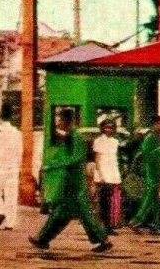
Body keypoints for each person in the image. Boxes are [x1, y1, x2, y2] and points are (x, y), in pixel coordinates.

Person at [29, 108, 112, 253]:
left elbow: (77, 157)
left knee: (82, 214)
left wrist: (53, 165)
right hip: (71, 182)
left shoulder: (75, 137)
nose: (58, 123)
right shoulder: (70, 136)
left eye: (60, 120)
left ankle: (103, 240)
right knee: (61, 213)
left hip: (76, 184)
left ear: (66, 121)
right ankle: (42, 239)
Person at [129, 115, 160, 233]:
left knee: (155, 200)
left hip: (155, 172)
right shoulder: (150, 137)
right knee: (150, 198)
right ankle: (136, 220)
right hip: (152, 172)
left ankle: (156, 224)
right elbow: (147, 154)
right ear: (155, 124)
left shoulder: (155, 137)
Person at [92, 119, 122, 233]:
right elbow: (97, 159)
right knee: (103, 201)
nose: (108, 129)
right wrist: (100, 175)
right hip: (103, 173)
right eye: (106, 127)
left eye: (111, 127)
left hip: (113, 172)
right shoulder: (98, 141)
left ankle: (109, 225)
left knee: (111, 201)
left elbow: (115, 159)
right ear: (102, 128)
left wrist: (117, 175)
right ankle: (103, 225)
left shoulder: (115, 141)